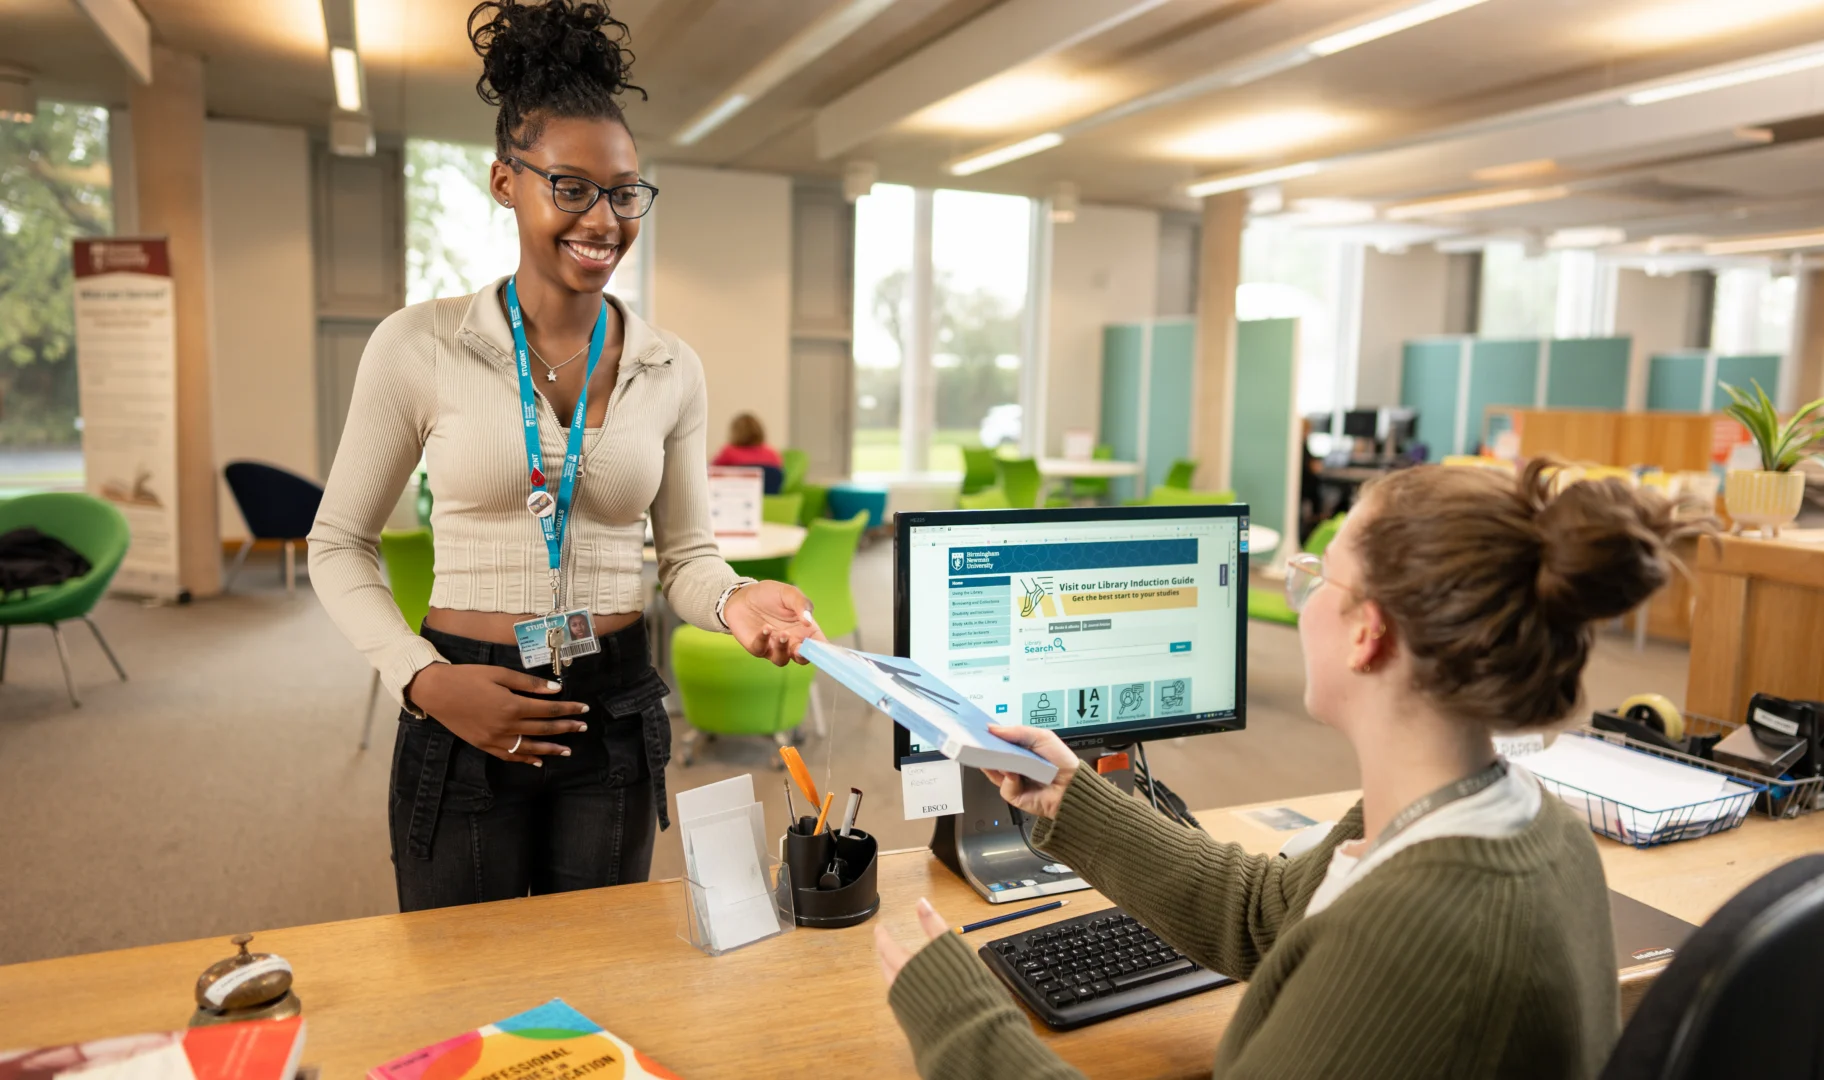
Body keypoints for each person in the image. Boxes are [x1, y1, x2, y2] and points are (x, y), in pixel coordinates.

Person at [876, 460, 1699, 1079]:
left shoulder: (1411, 938)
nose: (1300, 598)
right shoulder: (1502, 815)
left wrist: (960, 1020)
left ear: (1366, 634)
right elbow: (1262, 915)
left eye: (1317, 578)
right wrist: (1071, 796)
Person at [308, 0, 820, 912]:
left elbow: (687, 558)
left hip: (615, 715)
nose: (604, 219)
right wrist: (425, 679)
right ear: (507, 182)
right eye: (570, 187)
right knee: (465, 988)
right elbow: (338, 541)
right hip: (467, 700)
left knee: (597, 985)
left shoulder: (670, 366)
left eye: (625, 192)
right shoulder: (419, 345)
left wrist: (738, 598)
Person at [711, 412, 783, 471]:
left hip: (734, 487)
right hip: (766, 489)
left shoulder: (728, 453)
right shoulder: (771, 454)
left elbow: (711, 472)